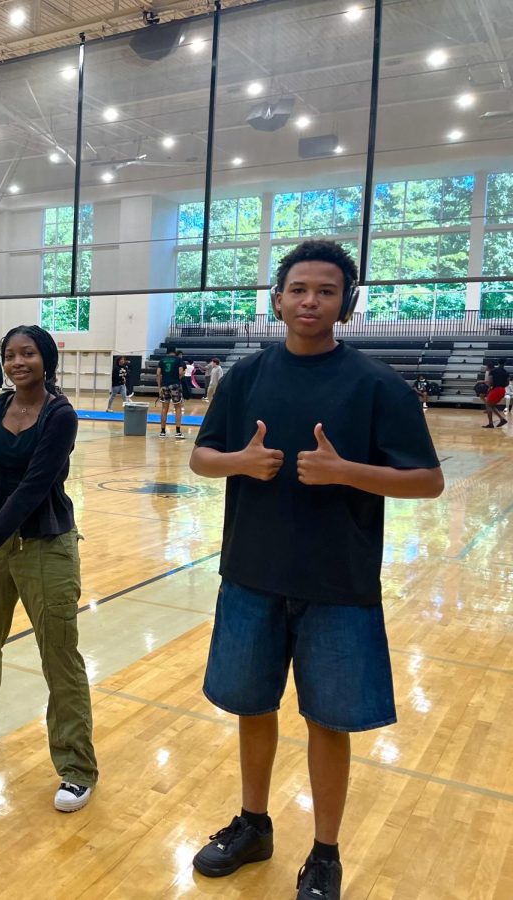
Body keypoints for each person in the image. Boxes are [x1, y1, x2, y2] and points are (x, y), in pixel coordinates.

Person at [189, 240, 443, 900]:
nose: (310, 301)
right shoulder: (244, 378)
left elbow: (429, 481)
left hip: (338, 583)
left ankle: (325, 853)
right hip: (251, 573)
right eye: (298, 288)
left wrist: (345, 472)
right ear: (277, 298)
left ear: (347, 305)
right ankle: (253, 825)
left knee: (328, 720)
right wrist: (239, 462)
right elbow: (201, 458)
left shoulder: (378, 386)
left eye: (325, 291)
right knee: (253, 708)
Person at [0, 324, 98, 813]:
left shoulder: (60, 416)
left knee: (59, 653)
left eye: (28, 353)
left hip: (47, 543)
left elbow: (32, 488)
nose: (18, 362)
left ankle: (76, 767)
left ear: (46, 359)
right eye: (10, 355)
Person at [156, 347, 186, 440]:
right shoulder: (178, 359)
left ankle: (162, 432)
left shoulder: (162, 360)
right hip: (175, 385)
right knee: (177, 408)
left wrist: (159, 387)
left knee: (164, 408)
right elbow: (180, 372)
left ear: (167, 352)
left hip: (164, 385)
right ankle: (177, 432)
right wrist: (179, 377)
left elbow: (158, 374)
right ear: (175, 352)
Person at [483, 359, 508, 428]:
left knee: (488, 405)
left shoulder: (493, 371)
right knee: (492, 406)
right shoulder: (506, 372)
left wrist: (489, 388)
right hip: (503, 390)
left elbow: (490, 382)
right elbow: (507, 383)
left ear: (498, 363)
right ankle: (502, 419)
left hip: (496, 389)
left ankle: (491, 423)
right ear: (505, 363)